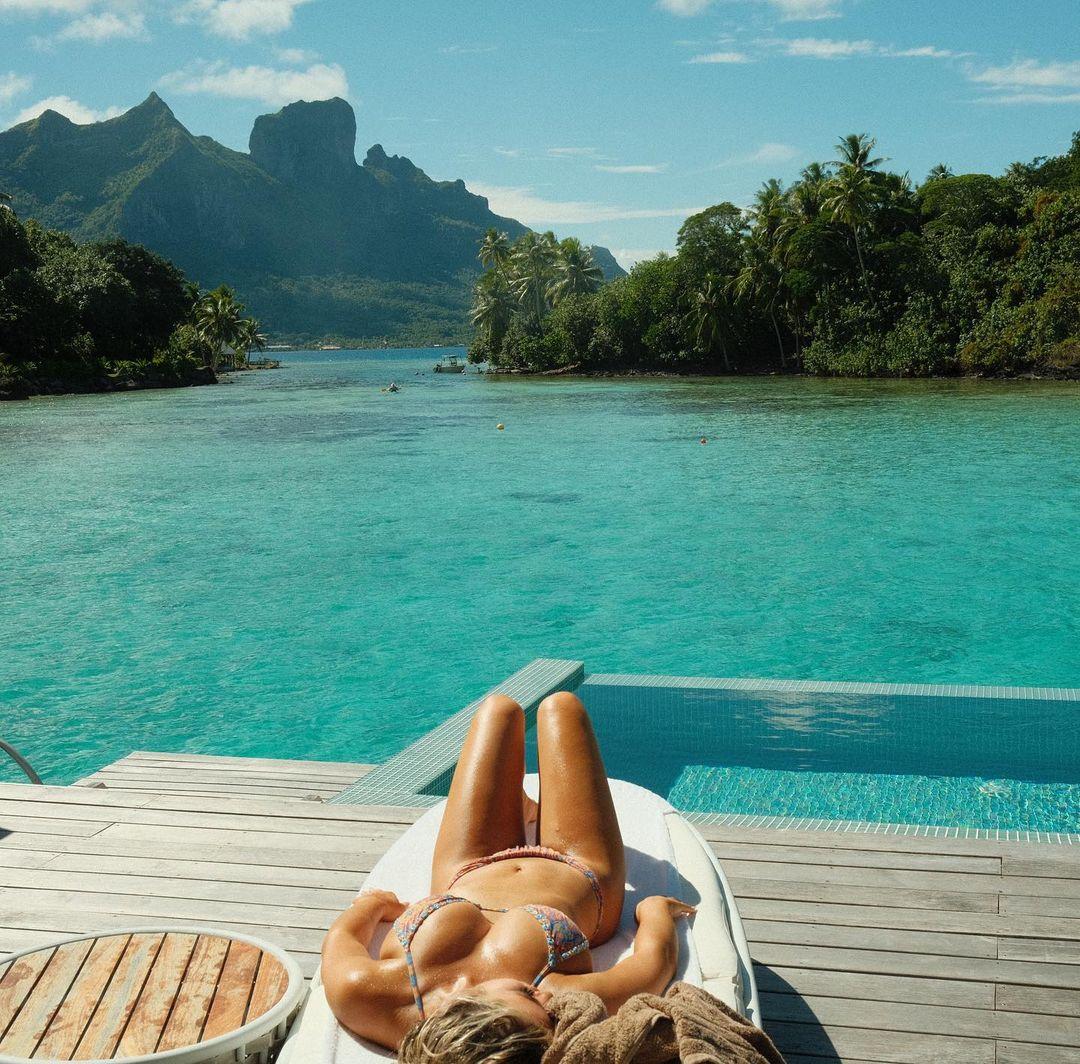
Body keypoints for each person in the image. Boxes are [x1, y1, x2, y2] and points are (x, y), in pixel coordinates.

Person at [322, 691, 695, 1061]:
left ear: (475, 1015)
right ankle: (523, 808)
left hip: (466, 867)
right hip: (577, 866)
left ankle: (521, 808)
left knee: (498, 710)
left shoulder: (366, 997)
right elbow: (651, 966)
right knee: (560, 708)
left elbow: (341, 940)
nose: (548, 1002)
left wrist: (371, 907)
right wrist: (654, 909)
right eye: (547, 1014)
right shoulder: (556, 996)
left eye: (529, 997)